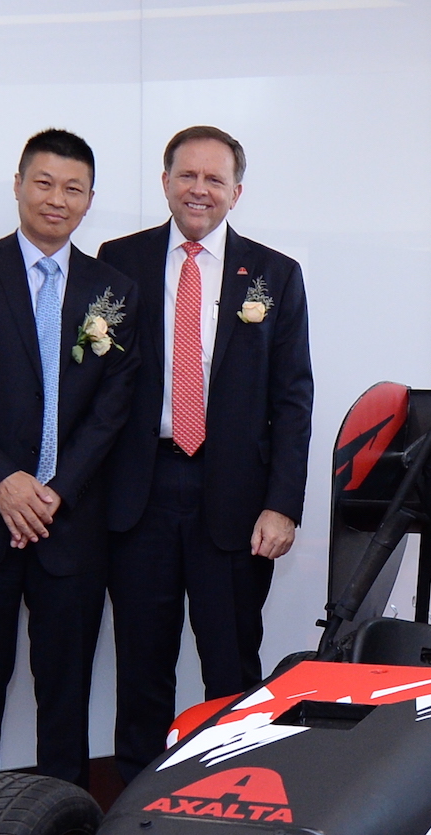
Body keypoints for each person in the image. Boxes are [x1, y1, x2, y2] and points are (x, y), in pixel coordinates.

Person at [96, 126, 314, 780]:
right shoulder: (118, 261)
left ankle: (232, 796)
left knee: (230, 664)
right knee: (141, 664)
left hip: (235, 499)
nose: (199, 189)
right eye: (186, 176)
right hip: (141, 491)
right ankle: (136, 802)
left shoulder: (274, 274)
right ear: (164, 183)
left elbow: (293, 399)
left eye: (214, 179)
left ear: (236, 192)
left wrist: (282, 505)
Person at [0, 129, 140, 786]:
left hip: (69, 525)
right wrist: (3, 480)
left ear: (89, 200)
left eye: (72, 188)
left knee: (66, 700)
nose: (57, 199)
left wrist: (55, 488)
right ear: (19, 184)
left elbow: (114, 406)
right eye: (44, 183)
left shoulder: (114, 291)